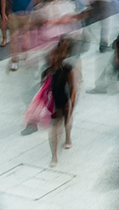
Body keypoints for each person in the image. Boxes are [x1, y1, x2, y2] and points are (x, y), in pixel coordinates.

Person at [2, 0, 40, 71]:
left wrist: (31, 9)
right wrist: (4, 12)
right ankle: (14, 60)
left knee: (26, 38)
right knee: (13, 38)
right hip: (14, 14)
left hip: (28, 15)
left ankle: (27, 55)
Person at [44, 38, 76, 167]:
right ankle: (54, 155)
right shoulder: (47, 72)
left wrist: (72, 101)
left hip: (64, 99)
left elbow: (73, 87)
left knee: (67, 122)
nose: (53, 58)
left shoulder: (66, 69)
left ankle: (68, 136)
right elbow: (44, 91)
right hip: (54, 103)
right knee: (54, 128)